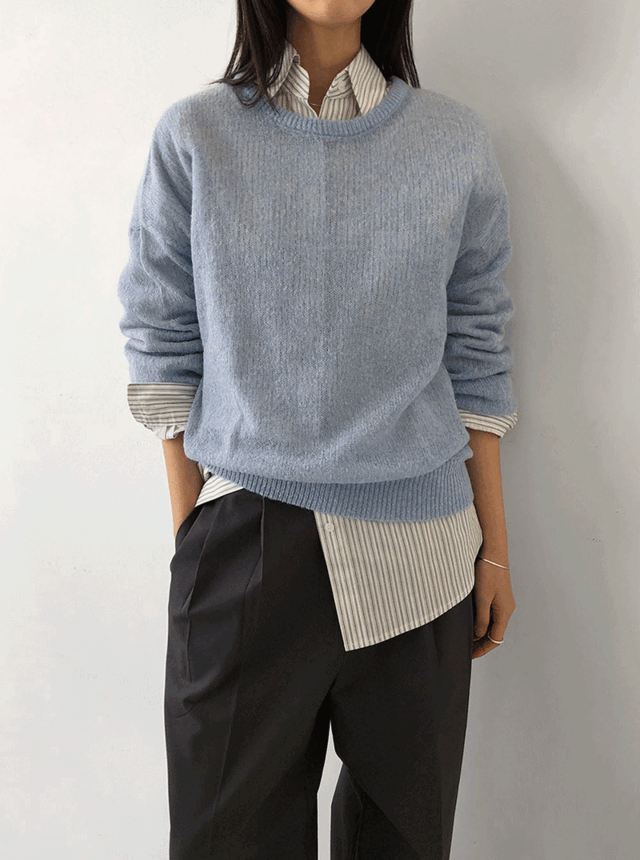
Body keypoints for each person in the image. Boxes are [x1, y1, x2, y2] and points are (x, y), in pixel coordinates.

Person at [116, 1, 518, 857]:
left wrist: (494, 552)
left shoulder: (453, 141)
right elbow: (161, 342)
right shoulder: (196, 135)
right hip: (248, 538)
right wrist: (198, 537)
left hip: (425, 555)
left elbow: (477, 351)